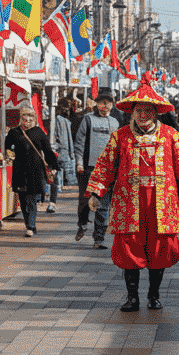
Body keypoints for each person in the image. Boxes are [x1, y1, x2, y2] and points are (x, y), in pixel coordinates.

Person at [84, 85, 179, 312]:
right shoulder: (119, 137)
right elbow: (105, 166)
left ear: (156, 112)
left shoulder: (171, 136)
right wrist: (96, 192)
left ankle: (154, 295)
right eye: (139, 111)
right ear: (132, 112)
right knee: (129, 249)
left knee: (159, 249)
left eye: (148, 111)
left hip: (161, 203)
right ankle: (132, 297)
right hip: (129, 202)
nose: (143, 116)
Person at [6, 105, 60, 237]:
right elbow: (7, 146)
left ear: (34, 119)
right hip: (19, 170)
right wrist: (9, 153)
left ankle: (31, 225)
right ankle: (29, 223)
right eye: (25, 118)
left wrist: (53, 166)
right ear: (21, 119)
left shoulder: (38, 132)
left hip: (35, 170)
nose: (28, 121)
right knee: (22, 199)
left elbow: (47, 151)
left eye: (31, 118)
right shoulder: (14, 132)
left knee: (31, 198)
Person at [74, 94, 121, 246]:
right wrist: (79, 162)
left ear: (112, 106)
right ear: (96, 104)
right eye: (101, 103)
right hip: (88, 167)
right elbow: (80, 142)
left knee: (103, 203)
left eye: (108, 104)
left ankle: (99, 238)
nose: (105, 106)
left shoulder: (115, 122)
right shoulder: (87, 119)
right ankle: (82, 224)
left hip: (108, 169)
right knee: (85, 199)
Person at [50, 105, 75, 211]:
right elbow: (69, 138)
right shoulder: (66, 122)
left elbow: (56, 136)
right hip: (63, 151)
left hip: (58, 151)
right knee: (58, 171)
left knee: (56, 172)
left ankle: (54, 197)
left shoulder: (57, 121)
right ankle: (57, 191)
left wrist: (54, 148)